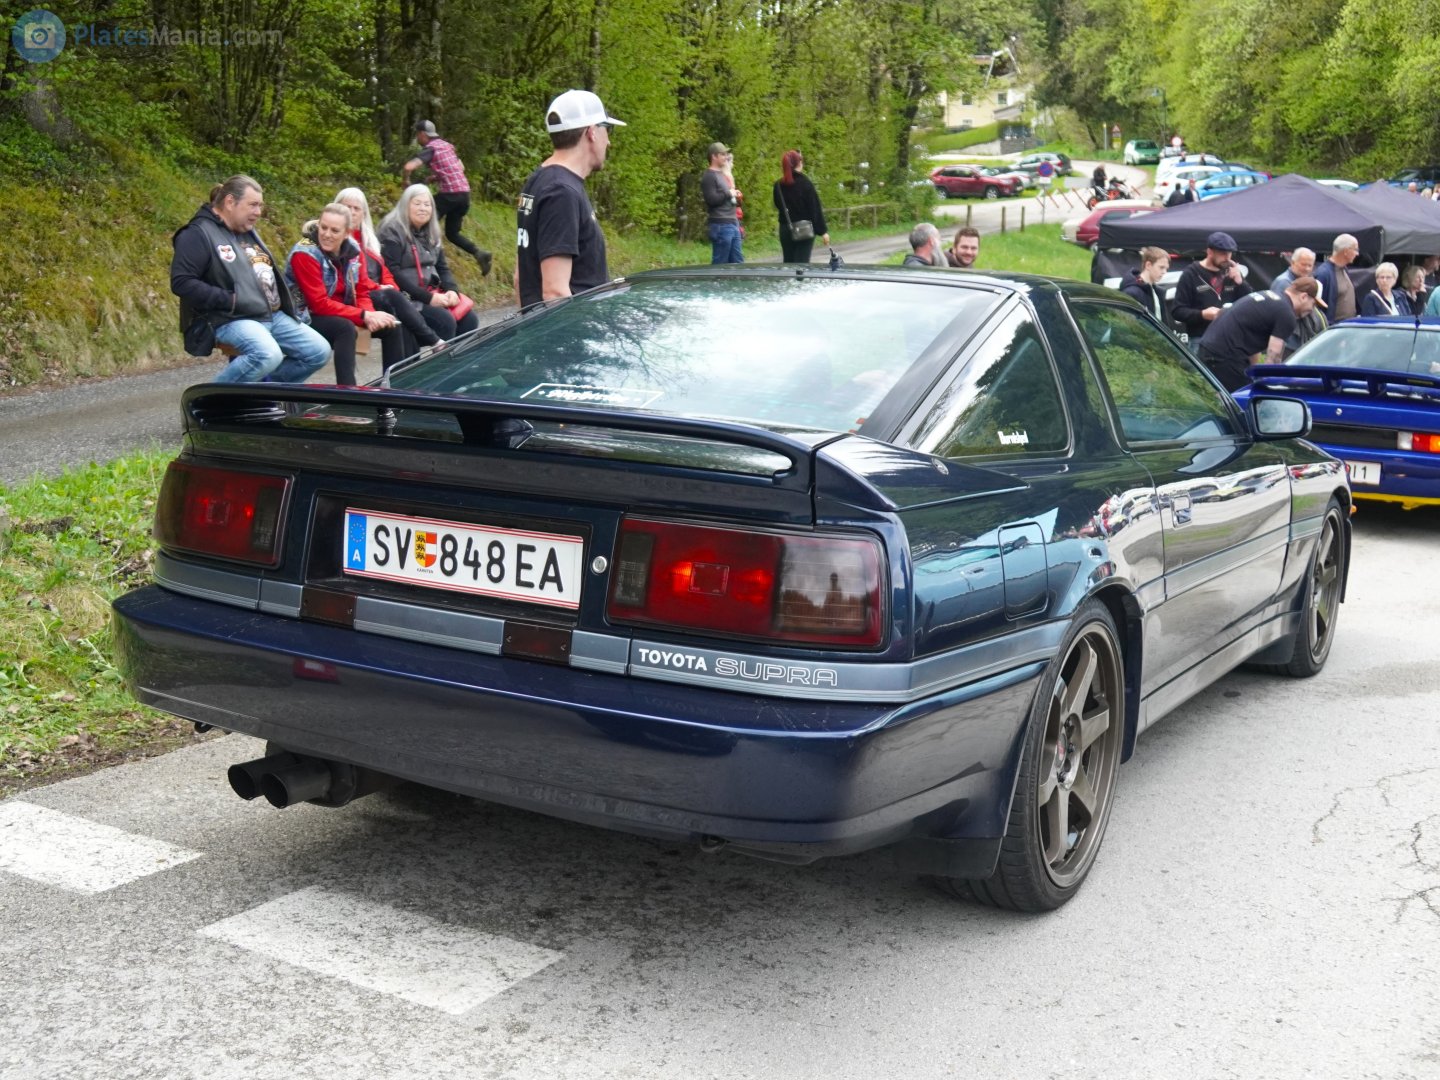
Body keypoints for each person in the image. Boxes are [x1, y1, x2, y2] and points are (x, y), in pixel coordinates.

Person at [170, 174, 330, 384]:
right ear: (229, 202)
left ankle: (261, 394)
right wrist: (229, 299)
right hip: (229, 317)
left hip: (270, 314)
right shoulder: (197, 233)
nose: (258, 212)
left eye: (260, 206)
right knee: (267, 354)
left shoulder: (246, 231)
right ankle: (207, 403)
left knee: (318, 351)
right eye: (253, 205)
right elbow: (181, 282)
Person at [514, 89, 625, 309]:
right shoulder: (561, 193)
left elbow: (520, 276)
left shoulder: (539, 179)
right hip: (567, 337)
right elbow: (555, 291)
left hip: (543, 334)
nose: (609, 141)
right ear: (591, 132)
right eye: (607, 129)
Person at [284, 204, 400, 385]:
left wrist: (370, 315)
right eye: (323, 227)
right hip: (305, 315)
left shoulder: (353, 249)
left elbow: (361, 290)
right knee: (344, 328)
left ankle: (393, 387)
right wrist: (363, 315)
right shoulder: (305, 253)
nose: (327, 234)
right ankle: (347, 392)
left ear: (347, 233)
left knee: (390, 324)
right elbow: (319, 304)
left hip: (340, 310)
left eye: (334, 230)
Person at [334, 187, 443, 365]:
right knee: (396, 302)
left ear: (363, 213)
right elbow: (351, 279)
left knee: (400, 316)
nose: (351, 212)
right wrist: (381, 289)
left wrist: (390, 286)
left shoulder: (368, 238)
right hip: (352, 298)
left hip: (376, 294)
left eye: (356, 208)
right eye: (347, 207)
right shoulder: (337, 238)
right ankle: (433, 341)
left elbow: (385, 270)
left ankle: (406, 375)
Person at [379, 184, 480, 342]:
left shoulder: (432, 231)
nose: (423, 209)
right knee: (445, 322)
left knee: (469, 320)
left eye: (427, 205)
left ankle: (457, 364)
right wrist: (428, 299)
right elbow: (393, 272)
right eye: (417, 203)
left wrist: (452, 290)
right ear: (406, 205)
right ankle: (439, 365)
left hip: (432, 293)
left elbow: (442, 267)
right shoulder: (391, 231)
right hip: (406, 299)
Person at [403, 120, 492, 275]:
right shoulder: (447, 146)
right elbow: (460, 168)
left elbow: (408, 167)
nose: (417, 138)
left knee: (422, 224)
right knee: (452, 233)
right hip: (464, 195)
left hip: (450, 195)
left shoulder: (430, 149)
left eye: (417, 134)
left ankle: (422, 262)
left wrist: (405, 181)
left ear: (423, 135)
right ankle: (479, 253)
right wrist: (436, 177)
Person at [1198, 278, 1320, 390]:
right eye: (1313, 304)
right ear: (1303, 297)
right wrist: (1272, 387)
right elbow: (1273, 358)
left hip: (1209, 348)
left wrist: (1255, 375)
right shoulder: (1286, 314)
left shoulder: (1270, 297)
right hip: (1225, 356)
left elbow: (1251, 340)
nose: (1312, 310)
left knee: (1224, 401)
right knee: (1242, 403)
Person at [1171, 231, 1253, 351]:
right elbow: (1177, 311)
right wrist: (1203, 314)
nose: (1227, 258)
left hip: (1229, 339)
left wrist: (1240, 282)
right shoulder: (1191, 274)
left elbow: (1250, 303)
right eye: (1223, 254)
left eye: (1230, 254)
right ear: (1209, 252)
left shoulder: (1233, 271)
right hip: (1201, 340)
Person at [773, 150, 829, 264]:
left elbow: (778, 205)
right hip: (804, 229)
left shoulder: (778, 185)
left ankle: (789, 282)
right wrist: (823, 231)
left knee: (788, 263)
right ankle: (799, 282)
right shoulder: (806, 184)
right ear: (799, 163)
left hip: (785, 229)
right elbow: (815, 209)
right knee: (801, 264)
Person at [702, 141, 743, 263]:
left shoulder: (722, 174)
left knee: (737, 263)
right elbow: (711, 200)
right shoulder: (709, 176)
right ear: (714, 156)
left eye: (726, 154)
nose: (726, 157)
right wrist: (728, 193)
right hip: (720, 225)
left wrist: (735, 195)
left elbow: (727, 197)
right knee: (720, 265)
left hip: (733, 222)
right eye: (723, 154)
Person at [1313, 234, 1360, 323]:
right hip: (1334, 330)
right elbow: (1318, 308)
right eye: (1355, 250)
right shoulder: (1324, 274)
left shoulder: (1344, 269)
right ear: (1346, 251)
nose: (1357, 254)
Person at [1121, 246, 1171, 325]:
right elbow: (1127, 326)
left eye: (1166, 268)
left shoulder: (1156, 291)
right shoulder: (1132, 292)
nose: (1164, 272)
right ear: (1148, 265)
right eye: (1161, 267)